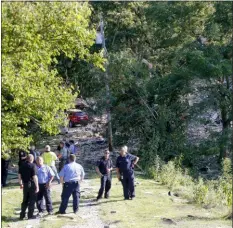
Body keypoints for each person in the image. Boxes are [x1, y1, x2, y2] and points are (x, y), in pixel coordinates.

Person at [18, 154, 39, 220]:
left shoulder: (22, 165)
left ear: (26, 158)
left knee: (25, 200)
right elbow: (34, 177)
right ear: (32, 159)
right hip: (32, 184)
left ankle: (22, 215)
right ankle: (30, 215)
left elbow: (19, 176)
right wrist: (37, 186)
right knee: (32, 200)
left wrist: (21, 184)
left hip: (25, 184)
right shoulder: (33, 166)